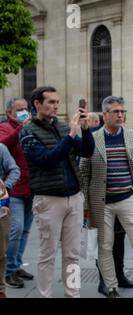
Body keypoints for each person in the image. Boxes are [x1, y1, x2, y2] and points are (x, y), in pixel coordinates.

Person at [19, 86, 94, 298]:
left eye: (57, 102)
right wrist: (71, 135)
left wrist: (86, 130)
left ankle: (73, 294)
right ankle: (45, 295)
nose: (56, 106)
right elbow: (46, 160)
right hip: (48, 200)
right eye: (51, 102)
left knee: (72, 255)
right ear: (37, 104)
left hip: (74, 198)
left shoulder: (60, 127)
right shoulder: (28, 132)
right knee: (47, 254)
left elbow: (87, 151)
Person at [80, 96, 133, 298]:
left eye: (123, 111)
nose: (121, 115)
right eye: (116, 112)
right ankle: (111, 287)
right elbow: (84, 170)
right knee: (105, 246)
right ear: (105, 115)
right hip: (101, 202)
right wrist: (87, 201)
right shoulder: (93, 139)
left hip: (128, 198)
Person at [0, 98, 34, 289]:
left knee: (25, 231)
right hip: (14, 190)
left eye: (26, 109)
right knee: (15, 230)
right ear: (9, 113)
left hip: (31, 187)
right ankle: (8, 271)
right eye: (19, 110)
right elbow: (3, 145)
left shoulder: (30, 126)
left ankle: (17, 264)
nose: (24, 112)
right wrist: (21, 127)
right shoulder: (5, 127)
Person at [0, 144, 21, 297]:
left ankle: (1, 290)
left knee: (0, 253)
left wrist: (5, 187)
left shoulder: (0, 148)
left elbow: (14, 169)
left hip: (0, 207)